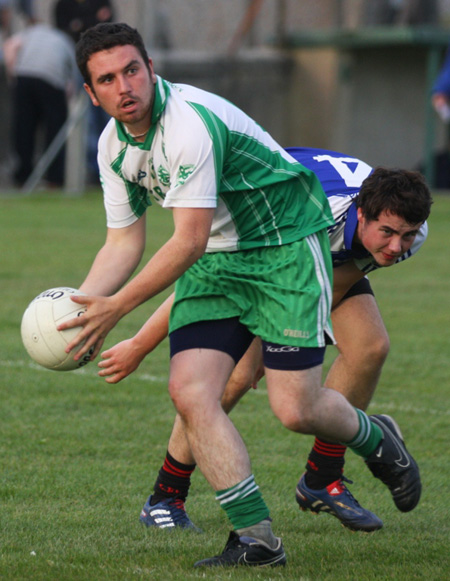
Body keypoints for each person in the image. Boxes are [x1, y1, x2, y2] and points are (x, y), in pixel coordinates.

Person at [62, 23, 424, 568]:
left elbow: (187, 242)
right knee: (191, 391)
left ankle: (375, 439)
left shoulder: (188, 125)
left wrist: (123, 316)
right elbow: (123, 243)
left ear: (151, 68)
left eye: (132, 69)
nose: (124, 86)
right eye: (107, 79)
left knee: (295, 408)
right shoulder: (114, 146)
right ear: (91, 93)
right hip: (222, 258)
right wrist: (81, 310)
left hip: (285, 247)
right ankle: (257, 540)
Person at [98, 147, 430, 535]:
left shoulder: (409, 234)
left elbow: (337, 278)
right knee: (231, 378)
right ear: (361, 213)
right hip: (260, 236)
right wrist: (140, 343)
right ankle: (166, 496)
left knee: (370, 347)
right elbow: (196, 284)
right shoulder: (312, 218)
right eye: (388, 233)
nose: (396, 246)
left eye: (405, 236)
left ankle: (322, 477)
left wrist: (288, 337)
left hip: (317, 258)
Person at [3, 19, 77, 187]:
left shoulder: (30, 33)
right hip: (52, 80)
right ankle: (55, 178)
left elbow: (10, 46)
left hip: (24, 77)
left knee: (23, 128)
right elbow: (72, 78)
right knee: (55, 129)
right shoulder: (64, 40)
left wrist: (12, 74)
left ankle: (23, 176)